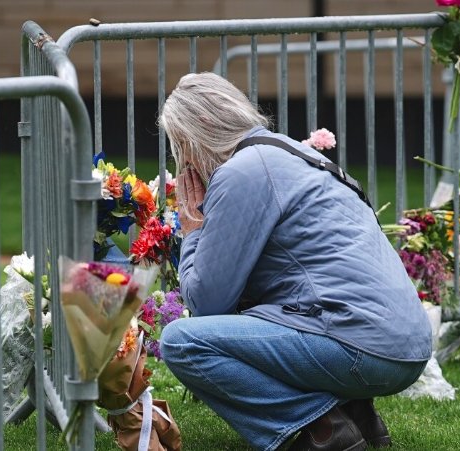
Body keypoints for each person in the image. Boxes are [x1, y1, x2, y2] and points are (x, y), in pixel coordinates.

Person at [158, 72, 432, 451]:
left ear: (201, 126)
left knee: (182, 342)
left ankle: (321, 430)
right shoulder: (290, 152)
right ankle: (353, 412)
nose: (184, 161)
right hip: (406, 347)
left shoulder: (242, 171)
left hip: (361, 348)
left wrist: (192, 230)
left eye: (181, 146)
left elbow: (206, 304)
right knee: (267, 316)